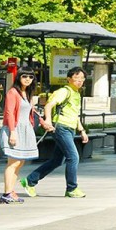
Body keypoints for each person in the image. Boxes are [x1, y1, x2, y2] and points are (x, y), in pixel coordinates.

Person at [21, 67, 90, 198]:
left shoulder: (76, 93)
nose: (80, 81)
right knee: (73, 157)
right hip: (61, 128)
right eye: (76, 78)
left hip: (70, 129)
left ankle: (29, 181)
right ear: (69, 79)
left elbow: (74, 114)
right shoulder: (64, 91)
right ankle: (72, 188)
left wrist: (82, 130)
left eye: (82, 79)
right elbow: (48, 105)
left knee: (57, 160)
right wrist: (48, 121)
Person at [0, 68, 40, 203]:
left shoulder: (27, 93)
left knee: (20, 162)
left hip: (26, 129)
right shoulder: (13, 92)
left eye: (31, 76)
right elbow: (9, 113)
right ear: (19, 77)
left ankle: (11, 191)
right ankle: (6, 193)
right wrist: (12, 132)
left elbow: (30, 112)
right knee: (13, 162)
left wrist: (44, 123)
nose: (28, 79)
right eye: (24, 76)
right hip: (15, 129)